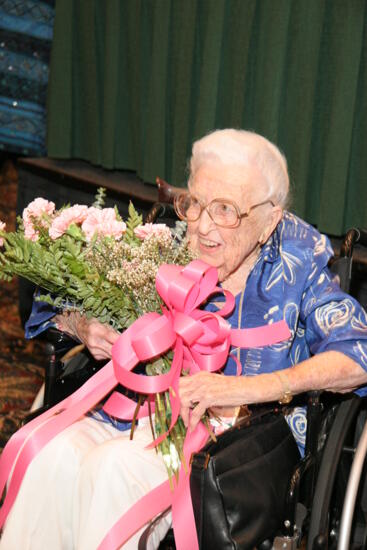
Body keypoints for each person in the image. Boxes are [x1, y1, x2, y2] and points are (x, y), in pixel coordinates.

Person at [2, 129, 367, 549]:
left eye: (226, 210)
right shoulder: (166, 243)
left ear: (269, 221)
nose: (203, 226)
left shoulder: (299, 269)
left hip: (232, 450)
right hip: (141, 414)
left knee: (114, 467)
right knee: (52, 456)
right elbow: (53, 304)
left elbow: (357, 354)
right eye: (195, 203)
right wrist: (86, 325)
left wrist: (242, 389)